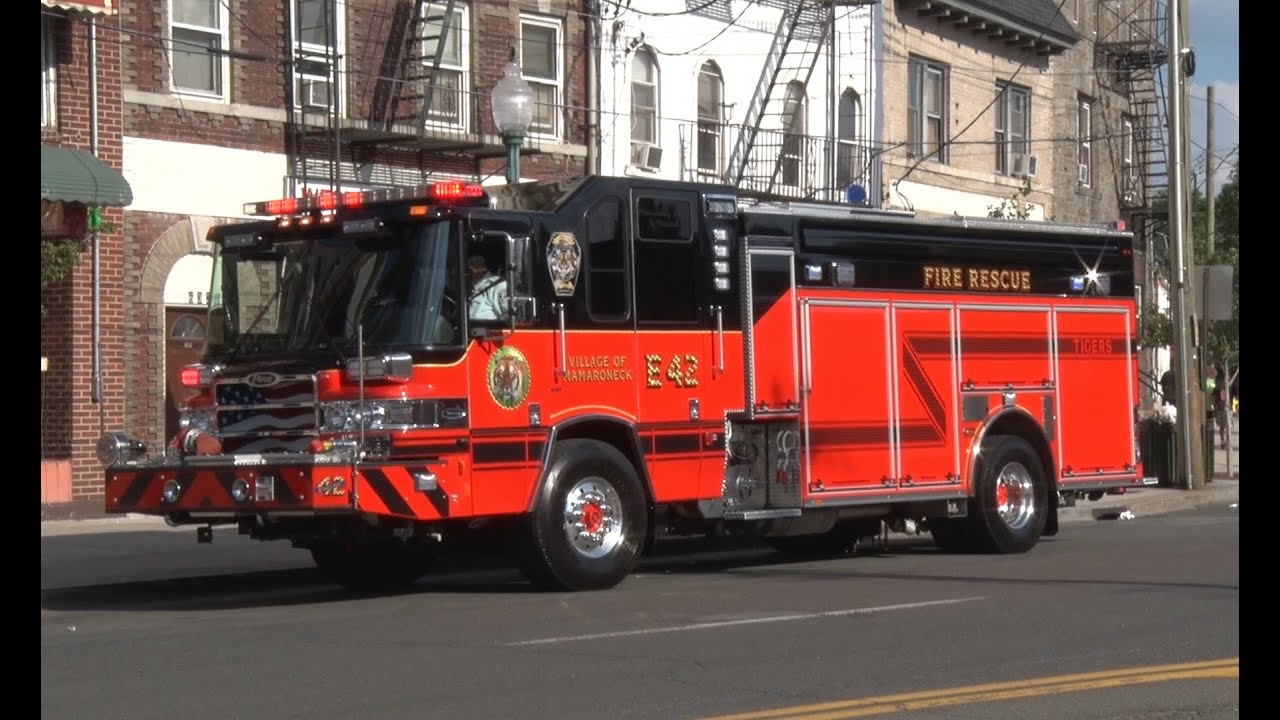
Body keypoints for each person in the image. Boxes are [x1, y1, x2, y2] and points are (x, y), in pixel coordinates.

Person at [466, 255, 508, 321]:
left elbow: (510, 317)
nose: (465, 276)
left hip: (487, 329)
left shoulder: (499, 285)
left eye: (466, 272)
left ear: (471, 270)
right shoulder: (470, 288)